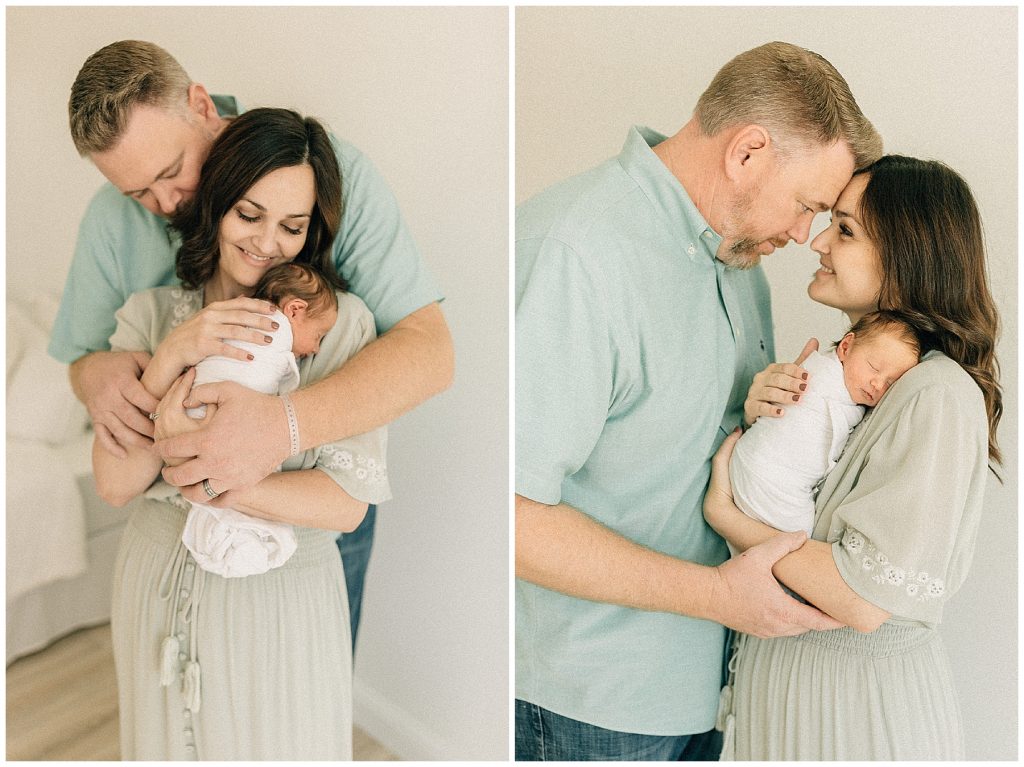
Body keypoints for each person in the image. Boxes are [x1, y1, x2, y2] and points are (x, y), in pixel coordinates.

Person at [515, 41, 882, 760]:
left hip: (703, 686)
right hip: (587, 706)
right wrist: (717, 595)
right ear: (747, 152)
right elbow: (510, 516)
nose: (805, 234)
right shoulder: (575, 253)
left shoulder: (737, 253)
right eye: (809, 206)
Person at [56, 40, 451, 647]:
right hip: (173, 514)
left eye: (169, 173)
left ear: (199, 104)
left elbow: (429, 352)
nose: (164, 205)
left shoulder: (323, 170)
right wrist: (93, 376)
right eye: (138, 193)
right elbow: (83, 357)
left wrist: (280, 428)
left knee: (304, 692)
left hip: (311, 498)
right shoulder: (112, 220)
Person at [91, 107, 390, 759]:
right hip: (155, 590)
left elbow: (344, 502)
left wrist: (202, 474)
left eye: (292, 225)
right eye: (249, 215)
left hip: (280, 605)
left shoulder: (335, 327)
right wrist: (171, 354)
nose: (266, 244)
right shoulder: (150, 315)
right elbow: (115, 483)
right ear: (218, 203)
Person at [704, 155, 1002, 759]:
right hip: (797, 696)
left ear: (907, 254)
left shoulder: (935, 393)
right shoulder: (861, 382)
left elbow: (862, 599)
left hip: (854, 717)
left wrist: (727, 516)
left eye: (844, 228)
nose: (816, 240)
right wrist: (761, 420)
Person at [177, 262, 351, 578]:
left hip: (192, 411)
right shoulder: (274, 331)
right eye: (319, 334)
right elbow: (283, 402)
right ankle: (237, 541)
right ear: (295, 310)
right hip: (214, 420)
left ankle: (230, 539)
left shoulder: (235, 319)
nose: (316, 348)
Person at [728, 310, 922, 549]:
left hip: (750, 462)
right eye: (873, 367)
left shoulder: (850, 391)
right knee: (798, 541)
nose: (878, 384)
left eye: (891, 383)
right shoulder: (823, 376)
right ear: (846, 347)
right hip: (768, 475)